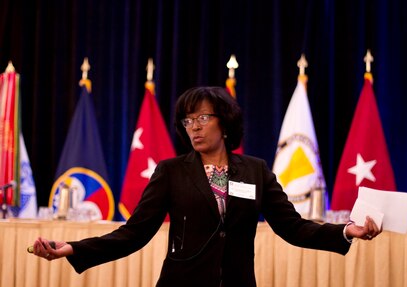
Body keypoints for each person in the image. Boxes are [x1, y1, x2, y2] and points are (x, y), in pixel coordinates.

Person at [30, 86, 381, 286]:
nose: (194, 127)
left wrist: (347, 230)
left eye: (202, 118)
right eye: (187, 121)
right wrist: (72, 249)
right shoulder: (171, 172)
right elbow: (134, 234)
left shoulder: (256, 171)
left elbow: (294, 228)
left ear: (224, 124)